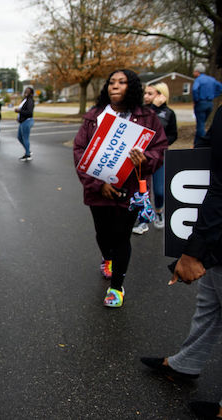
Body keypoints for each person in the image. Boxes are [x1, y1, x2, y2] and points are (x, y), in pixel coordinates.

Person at [140, 105, 222, 420]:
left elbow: (220, 187)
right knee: (210, 304)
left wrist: (195, 250)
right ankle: (186, 363)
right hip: (215, 235)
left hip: (214, 230)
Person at [73, 69, 167, 308]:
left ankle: (116, 286)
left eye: (122, 82)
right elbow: (80, 151)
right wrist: (98, 184)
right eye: (112, 82)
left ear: (132, 87)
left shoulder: (147, 117)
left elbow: (160, 148)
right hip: (98, 190)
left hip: (131, 189)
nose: (115, 86)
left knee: (122, 236)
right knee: (103, 234)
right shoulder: (94, 116)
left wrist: (145, 158)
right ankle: (107, 258)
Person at [133, 82, 178, 235]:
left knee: (159, 191)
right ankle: (143, 221)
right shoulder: (142, 112)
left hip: (159, 157)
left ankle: (159, 212)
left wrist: (163, 144)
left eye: (150, 93)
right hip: (142, 158)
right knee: (143, 191)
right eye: (145, 93)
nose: (146, 96)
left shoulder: (169, 113)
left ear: (161, 95)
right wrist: (153, 109)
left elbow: (173, 134)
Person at [192, 63, 222, 148]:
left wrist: (196, 99)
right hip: (210, 103)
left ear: (197, 72)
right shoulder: (211, 79)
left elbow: (194, 89)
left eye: (194, 71)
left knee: (200, 124)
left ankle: (202, 145)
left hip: (201, 103)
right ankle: (196, 143)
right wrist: (214, 95)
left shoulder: (198, 80)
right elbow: (220, 88)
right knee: (202, 123)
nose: (193, 73)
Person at [15, 87, 35, 161]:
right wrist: (19, 117)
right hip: (22, 121)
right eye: (25, 90)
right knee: (19, 137)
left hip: (27, 121)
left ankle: (27, 155)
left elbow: (29, 112)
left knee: (25, 138)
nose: (26, 92)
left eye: (28, 91)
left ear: (31, 93)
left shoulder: (30, 101)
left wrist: (19, 111)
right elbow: (23, 110)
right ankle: (28, 150)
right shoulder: (25, 100)